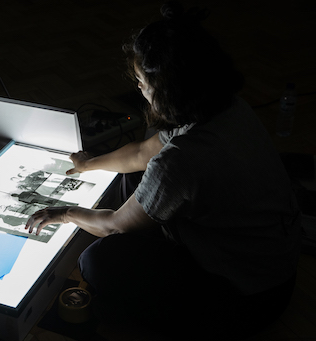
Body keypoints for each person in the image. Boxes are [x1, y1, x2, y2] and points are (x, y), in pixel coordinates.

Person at [25, 1, 302, 339]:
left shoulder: (183, 158)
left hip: (245, 300)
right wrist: (87, 164)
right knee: (135, 172)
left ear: (167, 90)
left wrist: (65, 212)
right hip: (274, 269)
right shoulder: (228, 107)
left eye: (142, 82)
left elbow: (113, 226)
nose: (139, 89)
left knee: (99, 261)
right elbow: (142, 151)